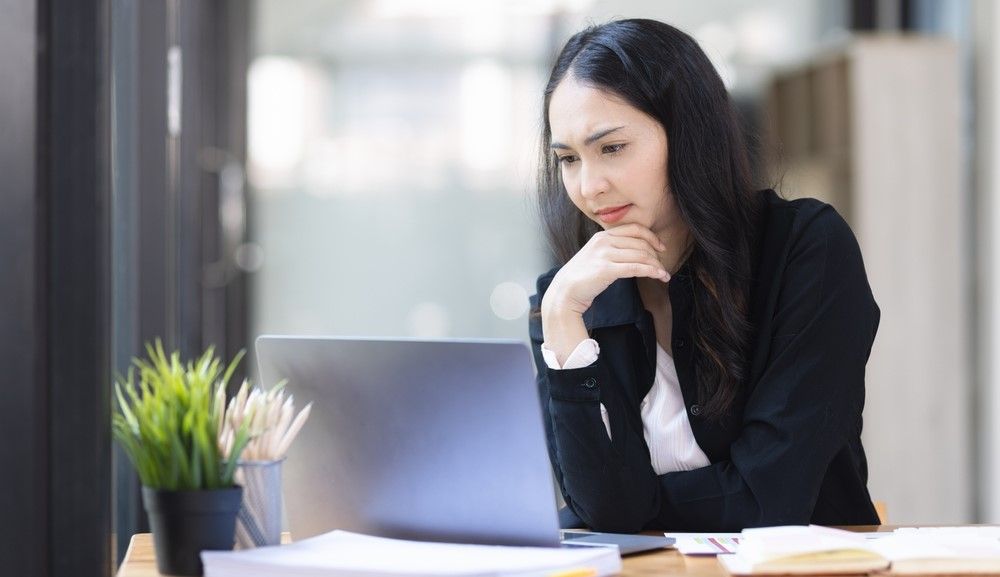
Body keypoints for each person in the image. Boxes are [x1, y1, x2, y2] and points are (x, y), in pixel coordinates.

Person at [528, 18, 881, 532]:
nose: (589, 186)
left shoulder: (806, 249)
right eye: (568, 159)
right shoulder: (567, 299)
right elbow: (597, 507)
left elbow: (768, 501)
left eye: (611, 148)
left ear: (688, 134)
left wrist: (636, 507)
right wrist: (561, 319)